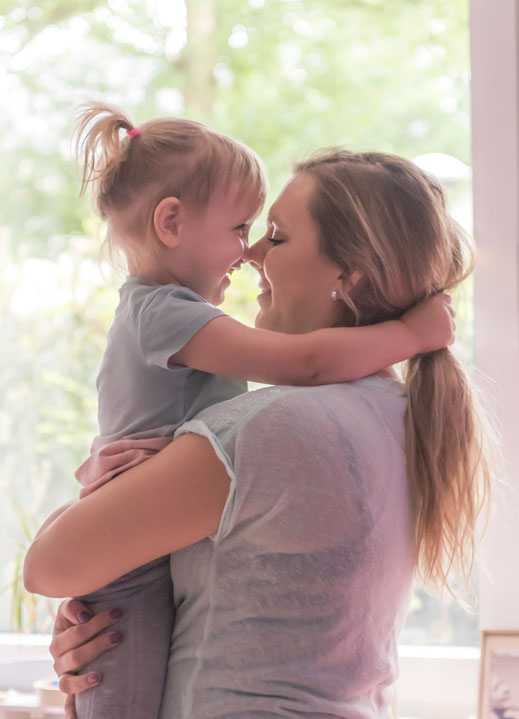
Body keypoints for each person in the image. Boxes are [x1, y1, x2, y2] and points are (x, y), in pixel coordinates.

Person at [24, 148, 488, 719]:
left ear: (349, 277)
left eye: (277, 235)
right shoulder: (401, 415)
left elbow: (47, 566)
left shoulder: (271, 428)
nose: (252, 251)